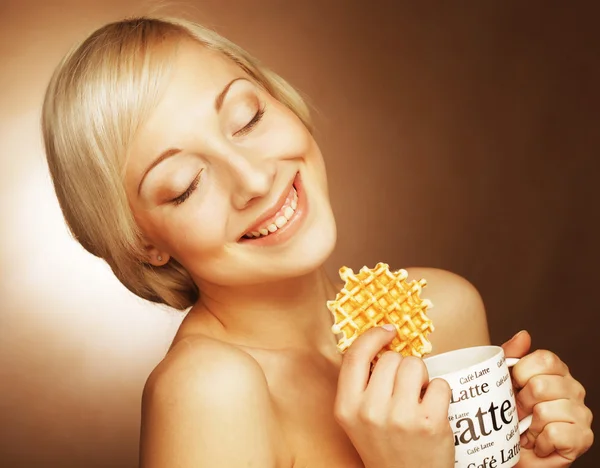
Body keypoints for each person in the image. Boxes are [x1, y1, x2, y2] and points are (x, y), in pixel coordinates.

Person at [42, 16, 593, 468]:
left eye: (247, 117)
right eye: (185, 186)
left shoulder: (441, 310)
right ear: (143, 244)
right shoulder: (208, 393)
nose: (254, 180)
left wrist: (526, 460)